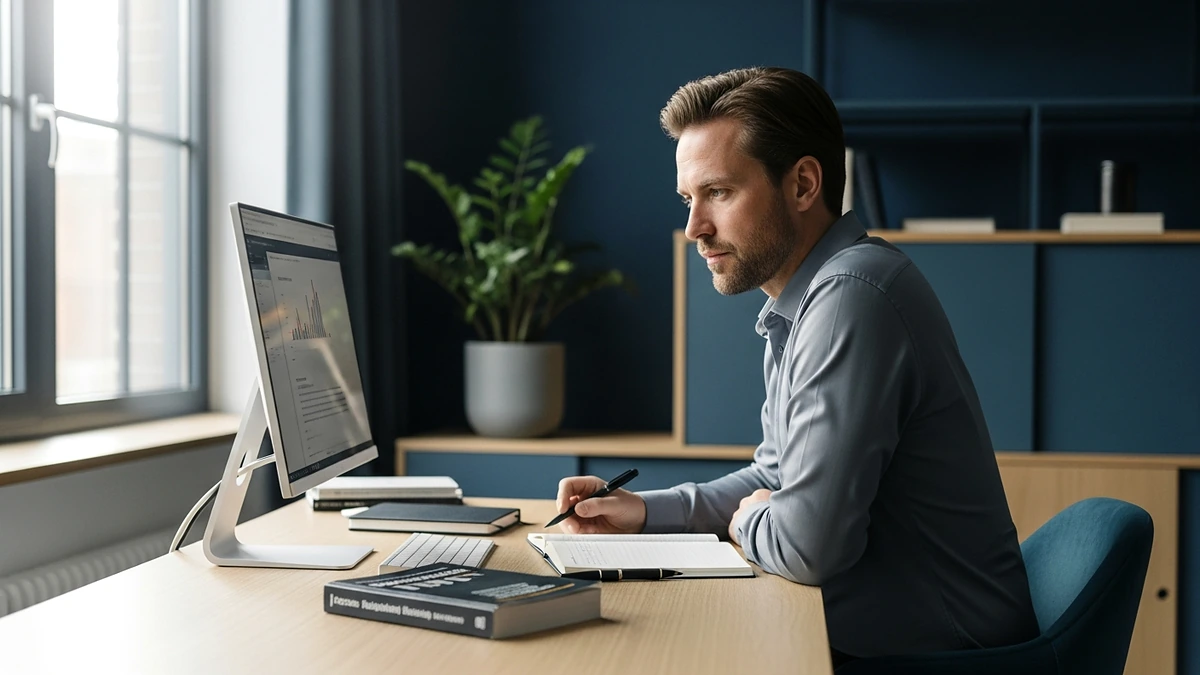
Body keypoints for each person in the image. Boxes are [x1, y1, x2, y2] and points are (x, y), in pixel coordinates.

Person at [553, 67, 1040, 666]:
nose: (694, 229)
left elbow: (808, 545)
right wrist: (648, 511)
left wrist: (752, 519)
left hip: (947, 653)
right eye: (688, 199)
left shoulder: (851, 297)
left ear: (804, 184)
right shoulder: (802, 305)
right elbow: (775, 475)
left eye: (720, 193)